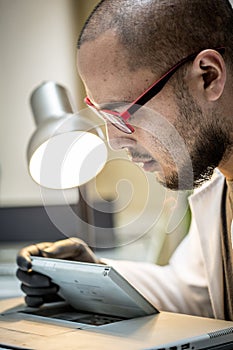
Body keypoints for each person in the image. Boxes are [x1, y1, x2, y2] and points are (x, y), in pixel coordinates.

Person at [16, 0, 233, 321]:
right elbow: (196, 292)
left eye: (123, 114)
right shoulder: (219, 185)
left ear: (208, 76)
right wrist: (94, 274)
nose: (115, 141)